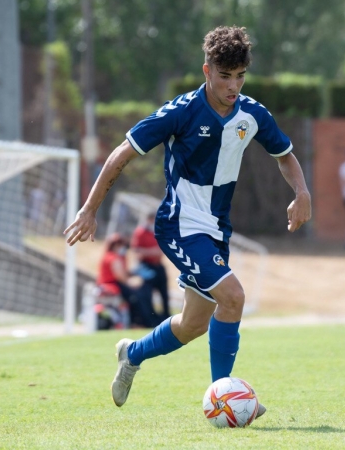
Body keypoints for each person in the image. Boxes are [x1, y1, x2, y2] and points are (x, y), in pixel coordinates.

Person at [64, 26, 312, 416]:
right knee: (233, 297)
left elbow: (285, 154)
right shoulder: (181, 111)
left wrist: (302, 192)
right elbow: (120, 155)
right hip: (180, 224)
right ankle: (224, 398)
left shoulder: (252, 114)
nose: (234, 85)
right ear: (207, 70)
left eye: (240, 76)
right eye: (225, 76)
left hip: (216, 230)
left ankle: (132, 354)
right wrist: (89, 209)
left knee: (194, 323)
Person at [97, 233, 159, 328]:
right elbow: (121, 277)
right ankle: (139, 322)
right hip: (113, 286)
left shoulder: (111, 256)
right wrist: (132, 282)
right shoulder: (113, 258)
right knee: (137, 297)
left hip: (112, 285)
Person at [131, 212, 171, 322]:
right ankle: (150, 318)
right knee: (147, 294)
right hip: (147, 266)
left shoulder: (158, 230)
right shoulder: (140, 232)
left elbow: (162, 249)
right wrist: (152, 252)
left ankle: (166, 316)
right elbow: (137, 251)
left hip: (158, 265)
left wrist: (153, 252)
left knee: (164, 293)